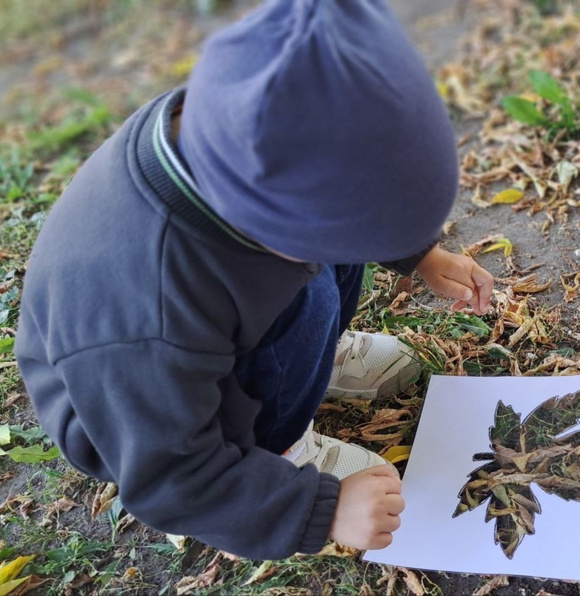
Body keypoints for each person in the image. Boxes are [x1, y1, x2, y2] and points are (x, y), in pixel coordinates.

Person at [15, 0, 493, 560]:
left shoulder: (237, 139)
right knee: (306, 296)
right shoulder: (151, 312)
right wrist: (317, 509)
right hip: (137, 415)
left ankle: (305, 365)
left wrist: (417, 253)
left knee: (313, 276)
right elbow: (173, 476)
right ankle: (279, 448)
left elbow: (354, 176)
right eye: (362, 238)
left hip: (197, 333)